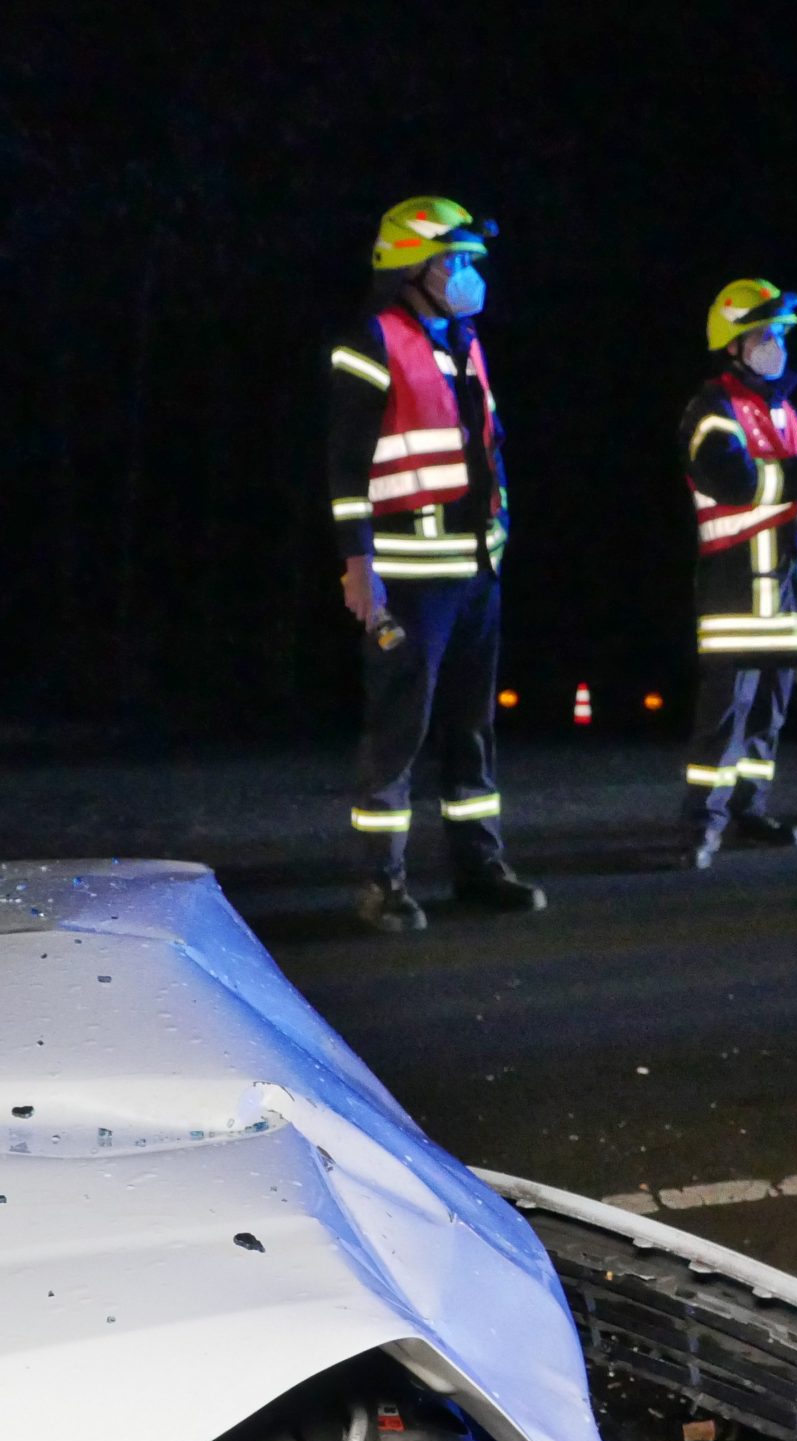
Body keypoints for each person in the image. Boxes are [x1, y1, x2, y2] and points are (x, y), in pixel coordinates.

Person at [326, 196, 544, 934]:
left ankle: (479, 864)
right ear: (408, 266)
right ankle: (379, 882)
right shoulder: (371, 341)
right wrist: (359, 566)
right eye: (453, 259)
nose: (468, 272)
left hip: (475, 572)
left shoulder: (464, 340)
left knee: (472, 728)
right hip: (409, 579)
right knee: (399, 729)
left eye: (470, 260)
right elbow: (345, 466)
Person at [676, 278, 797, 869]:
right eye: (764, 333)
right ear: (732, 344)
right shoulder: (711, 411)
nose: (776, 343)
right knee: (723, 720)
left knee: (769, 715)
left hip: (788, 598)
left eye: (780, 333)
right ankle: (700, 825)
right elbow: (732, 481)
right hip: (736, 596)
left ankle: (749, 810)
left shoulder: (784, 411)